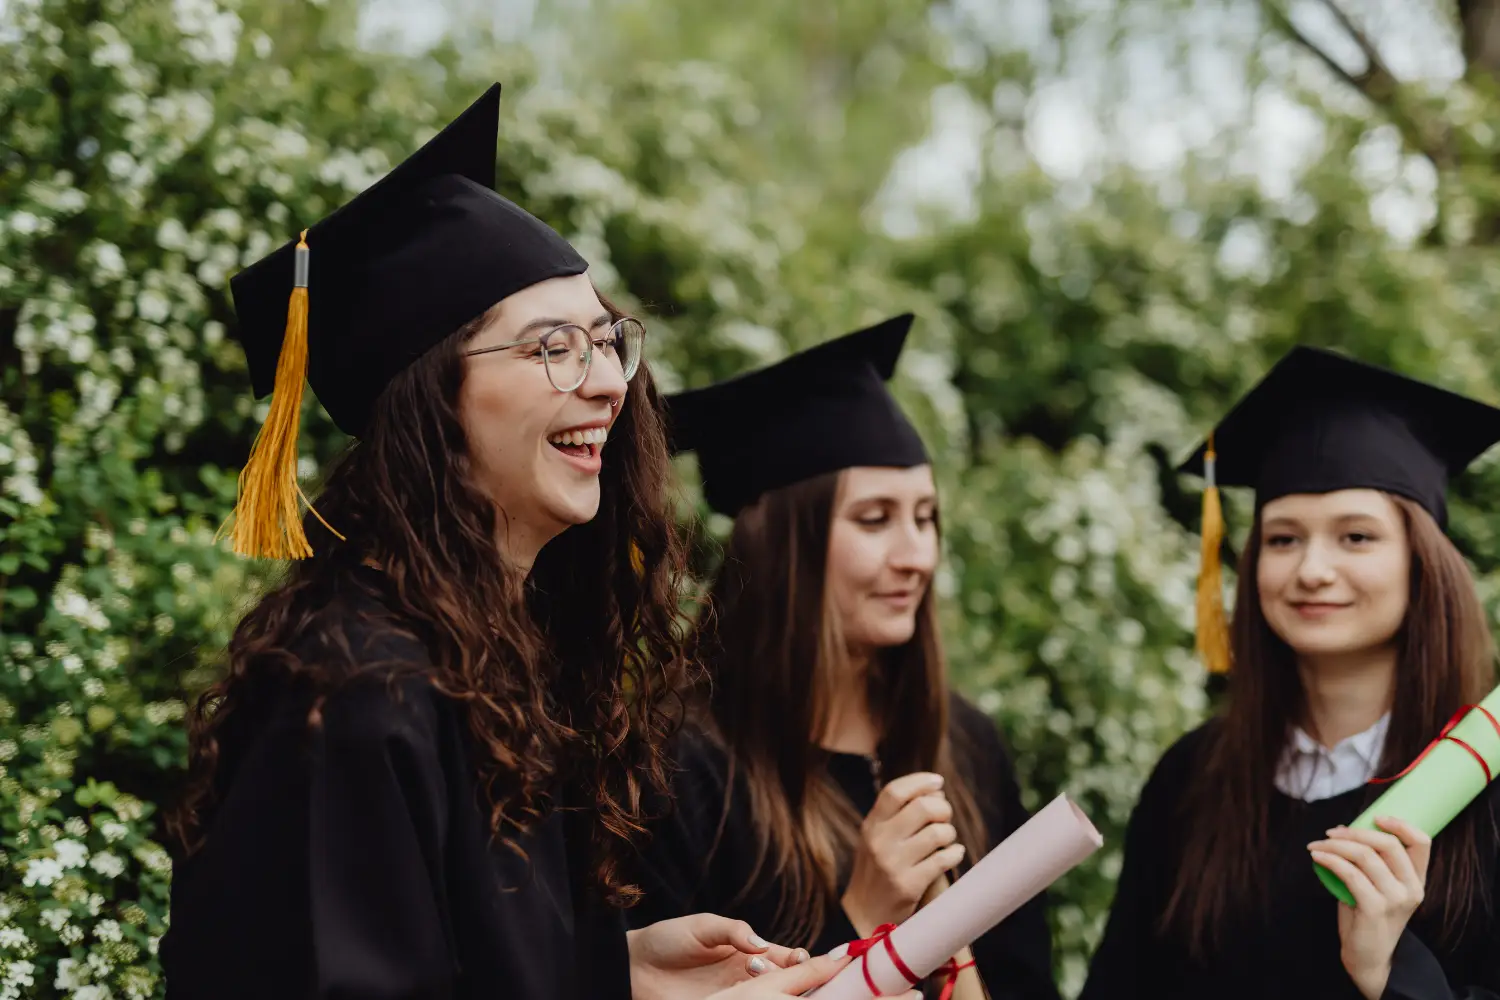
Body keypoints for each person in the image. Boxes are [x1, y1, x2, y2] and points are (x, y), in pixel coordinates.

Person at [161, 84, 858, 1000]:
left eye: (607, 339)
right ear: (428, 403)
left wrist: (621, 973)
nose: (608, 381)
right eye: (552, 347)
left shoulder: (497, 662)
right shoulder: (355, 694)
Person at [626, 316, 1061, 1000]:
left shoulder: (967, 746)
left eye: (924, 517)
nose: (916, 555)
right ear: (784, 547)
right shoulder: (675, 764)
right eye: (875, 519)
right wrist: (864, 919)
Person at [1080, 345, 1500, 1000]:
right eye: (1283, 538)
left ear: (1424, 564)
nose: (1311, 570)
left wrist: (1389, 976)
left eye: (1355, 536)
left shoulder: (1485, 789)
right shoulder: (1192, 778)